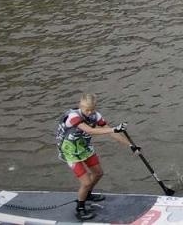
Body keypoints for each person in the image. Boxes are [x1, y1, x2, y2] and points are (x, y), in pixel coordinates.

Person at [56, 93, 137, 222]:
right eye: (86, 110)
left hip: (84, 148)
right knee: (86, 182)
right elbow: (90, 131)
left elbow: (111, 132)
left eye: (92, 109)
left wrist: (131, 145)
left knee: (98, 173)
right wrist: (114, 129)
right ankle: (80, 208)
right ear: (80, 106)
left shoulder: (96, 116)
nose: (89, 113)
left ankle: (87, 195)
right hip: (70, 151)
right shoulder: (72, 116)